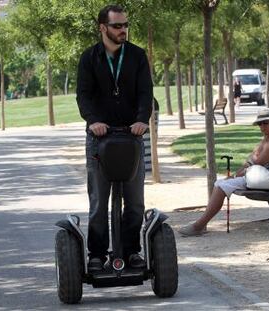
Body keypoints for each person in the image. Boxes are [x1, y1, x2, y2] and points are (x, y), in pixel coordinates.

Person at [76, 4, 153, 271]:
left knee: (135, 202)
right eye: (117, 26)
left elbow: (146, 92)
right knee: (99, 202)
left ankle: (132, 251)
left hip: (131, 136)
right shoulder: (89, 58)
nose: (123, 30)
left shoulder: (137, 56)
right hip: (100, 139)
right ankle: (96, 254)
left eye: (125, 25)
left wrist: (142, 120)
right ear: (102, 28)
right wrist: (93, 121)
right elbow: (83, 96)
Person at [178, 108, 269, 237]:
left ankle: (199, 226)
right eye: (260, 124)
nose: (262, 126)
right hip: (260, 177)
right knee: (220, 183)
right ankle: (200, 225)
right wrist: (236, 174)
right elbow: (251, 160)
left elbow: (253, 162)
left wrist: (234, 176)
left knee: (221, 186)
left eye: (266, 123)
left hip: (265, 180)